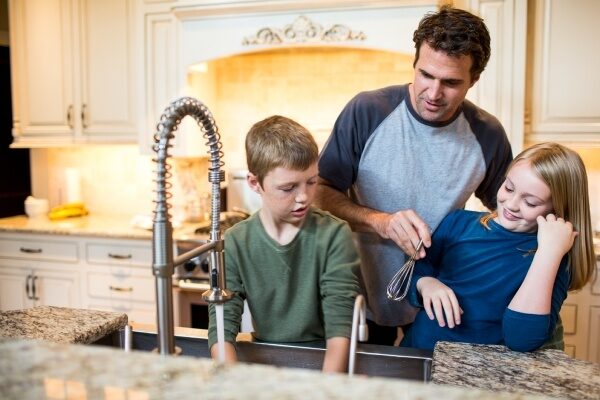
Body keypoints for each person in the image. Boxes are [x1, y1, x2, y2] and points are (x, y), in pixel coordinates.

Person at [316, 5, 513, 344]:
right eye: (426, 75)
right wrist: (381, 221)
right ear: (415, 63)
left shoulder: (487, 135)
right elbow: (321, 193)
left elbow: (510, 217)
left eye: (451, 82)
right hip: (359, 294)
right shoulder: (368, 111)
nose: (434, 93)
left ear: (474, 80)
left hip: (439, 301)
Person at [400, 142, 597, 352]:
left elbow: (521, 339)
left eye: (530, 203)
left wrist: (547, 254)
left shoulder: (552, 258)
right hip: (418, 351)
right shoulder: (457, 222)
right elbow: (413, 272)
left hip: (476, 372)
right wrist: (426, 283)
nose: (511, 204)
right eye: (508, 187)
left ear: (558, 208)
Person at [207, 115, 360, 373]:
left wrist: (326, 389)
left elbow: (340, 326)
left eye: (311, 182)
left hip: (325, 365)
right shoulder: (235, 242)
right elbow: (222, 326)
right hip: (265, 364)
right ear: (255, 183)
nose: (303, 197)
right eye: (288, 188)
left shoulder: (334, 235)